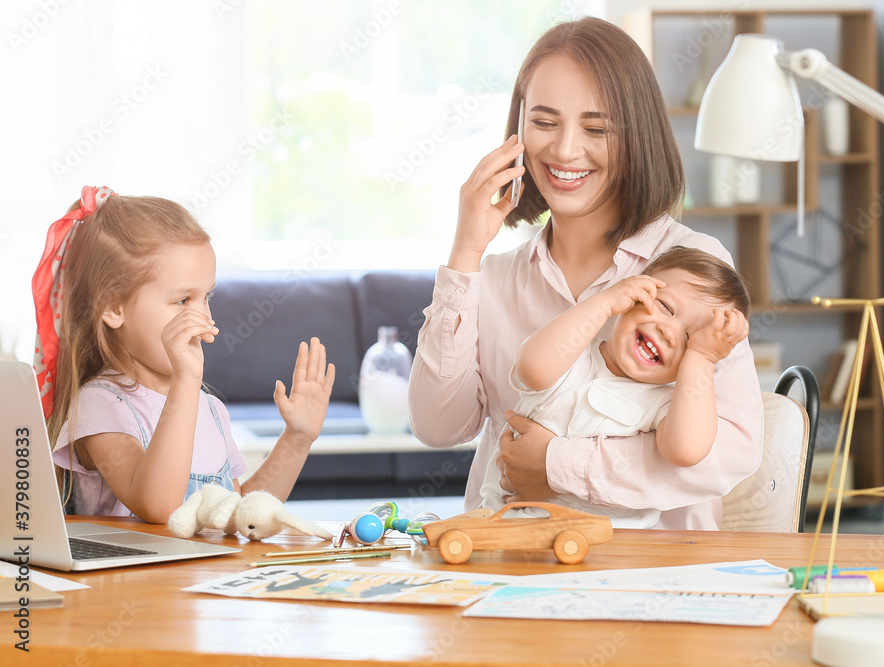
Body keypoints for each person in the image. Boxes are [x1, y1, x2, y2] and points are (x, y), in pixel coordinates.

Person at [408, 17, 764, 530]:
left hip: (653, 573)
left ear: (636, 136)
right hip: (512, 566)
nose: (566, 150)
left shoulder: (692, 267)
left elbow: (732, 450)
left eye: (596, 129)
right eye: (545, 123)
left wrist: (558, 467)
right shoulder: (497, 277)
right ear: (518, 128)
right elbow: (439, 427)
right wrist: (465, 252)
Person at [35, 186, 335, 523]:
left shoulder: (209, 408)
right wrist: (187, 381)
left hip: (204, 577)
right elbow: (158, 507)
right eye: (182, 301)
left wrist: (297, 437)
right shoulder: (100, 405)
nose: (205, 319)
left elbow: (240, 517)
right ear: (113, 306)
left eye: (207, 297)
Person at [478, 247, 751, 526]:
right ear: (634, 295)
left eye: (690, 338)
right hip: (507, 523)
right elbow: (532, 369)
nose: (669, 333)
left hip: (614, 550)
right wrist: (606, 301)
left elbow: (686, 451)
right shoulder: (571, 355)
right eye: (667, 308)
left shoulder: (666, 404)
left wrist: (702, 358)